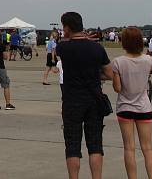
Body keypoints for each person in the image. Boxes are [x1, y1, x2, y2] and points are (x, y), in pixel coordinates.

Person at [55, 12, 113, 179]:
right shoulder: (97, 48)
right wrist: (95, 75)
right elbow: (109, 73)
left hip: (72, 100)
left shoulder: (63, 48)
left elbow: (64, 44)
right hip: (94, 100)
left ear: (67, 27)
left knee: (72, 145)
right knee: (95, 145)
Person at [111, 27, 152, 179]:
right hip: (143, 106)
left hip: (125, 106)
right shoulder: (148, 60)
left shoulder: (118, 62)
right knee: (148, 148)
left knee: (129, 148)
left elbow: (117, 88)